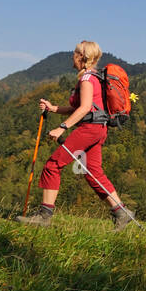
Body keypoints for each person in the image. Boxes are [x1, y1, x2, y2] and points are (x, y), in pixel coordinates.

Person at [17, 41, 134, 229]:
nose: (72, 55)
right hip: (99, 129)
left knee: (52, 165)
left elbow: (85, 108)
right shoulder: (95, 77)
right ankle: (121, 212)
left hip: (89, 129)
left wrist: (62, 127)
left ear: (82, 57)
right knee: (93, 172)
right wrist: (53, 108)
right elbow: (78, 108)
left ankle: (44, 216)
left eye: (75, 52)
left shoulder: (87, 79)